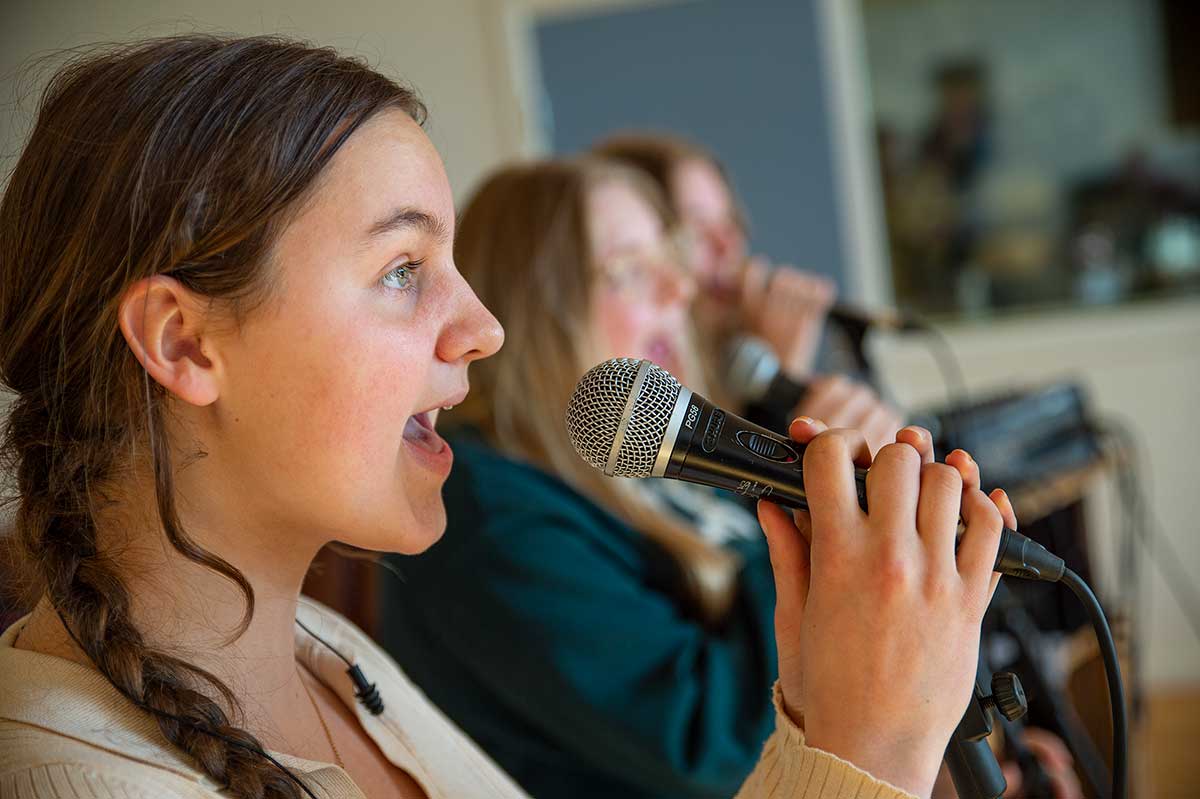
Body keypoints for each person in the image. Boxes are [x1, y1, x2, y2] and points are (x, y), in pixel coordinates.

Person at [0, 34, 1010, 799]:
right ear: (183, 344)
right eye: (403, 270)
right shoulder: (61, 772)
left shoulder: (334, 656)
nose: (483, 328)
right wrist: (862, 749)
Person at [376, 157, 1010, 799]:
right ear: (533, 306)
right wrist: (816, 520)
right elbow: (713, 750)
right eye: (630, 272)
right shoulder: (488, 510)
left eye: (669, 262)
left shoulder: (642, 473)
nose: (678, 293)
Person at [593, 134, 903, 454]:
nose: (728, 246)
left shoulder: (726, 369)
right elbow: (739, 499)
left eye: (730, 222)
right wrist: (778, 380)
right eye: (697, 231)